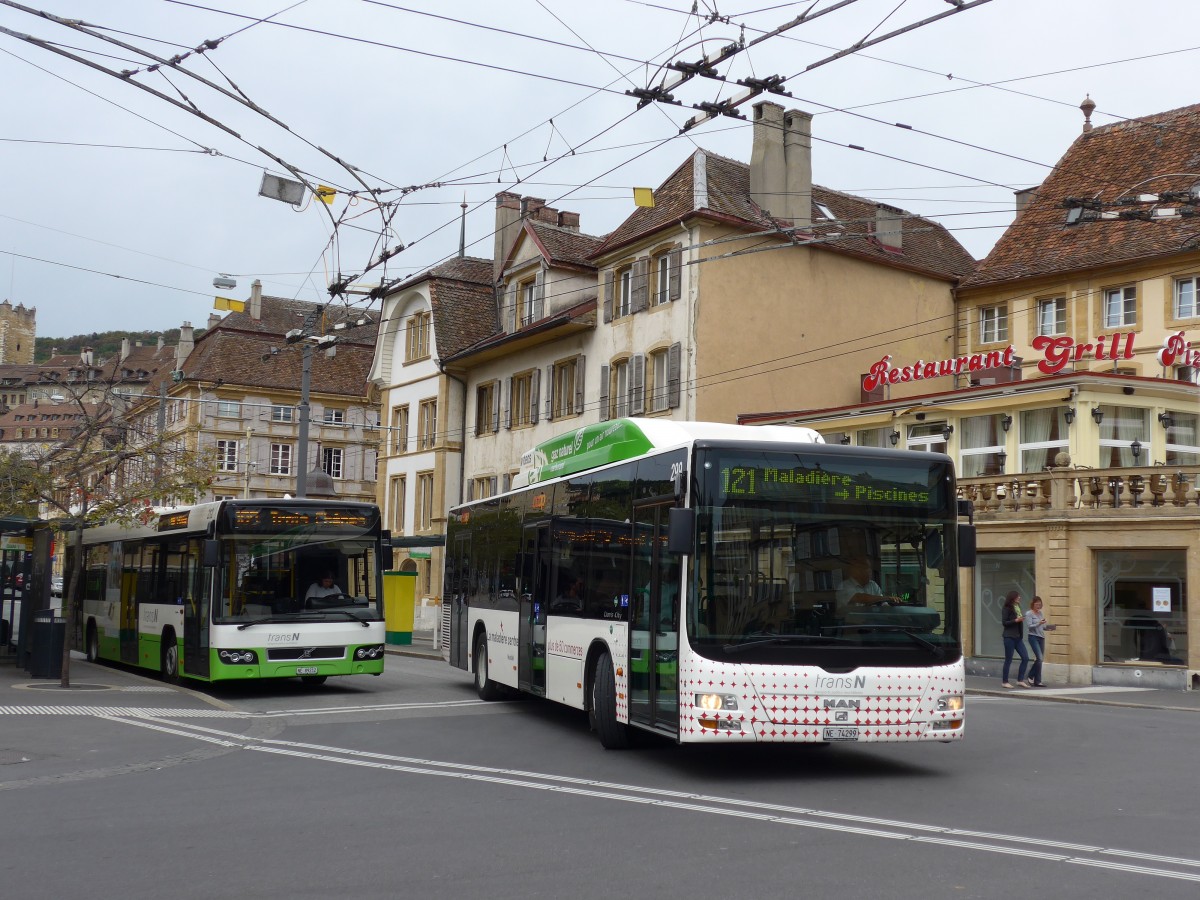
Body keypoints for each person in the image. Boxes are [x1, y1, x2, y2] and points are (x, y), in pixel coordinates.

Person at [1000, 590, 1030, 688]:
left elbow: (1019, 622)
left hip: (1018, 637)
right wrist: (1016, 620)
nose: (1020, 598)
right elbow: (1004, 622)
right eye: (1018, 596)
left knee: (1025, 658)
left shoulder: (1017, 607)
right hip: (1009, 637)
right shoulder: (1006, 608)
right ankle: (1005, 682)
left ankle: (1020, 680)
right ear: (1013, 597)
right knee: (1008, 659)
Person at [1025, 596, 1051, 686]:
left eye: (1040, 604)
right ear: (1033, 604)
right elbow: (1029, 626)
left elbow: (1042, 627)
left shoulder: (1040, 613)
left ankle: (1038, 681)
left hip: (1041, 637)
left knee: (1040, 659)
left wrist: (1048, 627)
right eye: (1037, 604)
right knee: (1039, 658)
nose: (1038, 606)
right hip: (1033, 637)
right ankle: (1031, 675)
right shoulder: (1029, 613)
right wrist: (1039, 623)